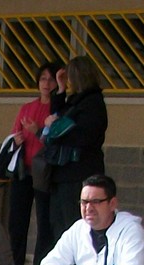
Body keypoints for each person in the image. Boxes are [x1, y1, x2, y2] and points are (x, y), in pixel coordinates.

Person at [41, 56, 107, 254]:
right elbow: (59, 114)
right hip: (62, 175)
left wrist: (56, 126)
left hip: (78, 175)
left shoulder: (93, 103)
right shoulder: (76, 101)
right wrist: (59, 89)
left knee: (74, 224)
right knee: (58, 226)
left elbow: (82, 135)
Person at [6, 62, 58, 265]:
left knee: (44, 226)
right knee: (17, 225)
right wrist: (16, 140)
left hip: (45, 173)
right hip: (23, 172)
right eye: (43, 79)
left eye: (51, 79)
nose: (46, 84)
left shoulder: (58, 109)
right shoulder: (27, 107)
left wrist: (38, 131)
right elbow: (13, 136)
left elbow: (56, 143)